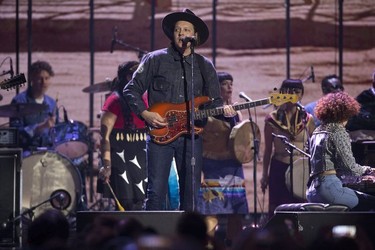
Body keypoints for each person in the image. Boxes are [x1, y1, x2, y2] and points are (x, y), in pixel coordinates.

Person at [123, 9, 236, 211]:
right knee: (156, 192)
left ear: (195, 36)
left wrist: (223, 111)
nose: (181, 33)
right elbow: (131, 89)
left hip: (191, 137)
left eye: (186, 29)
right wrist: (145, 113)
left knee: (190, 195)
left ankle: (187, 240)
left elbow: (214, 102)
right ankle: (152, 240)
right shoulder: (154, 59)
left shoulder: (204, 65)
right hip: (160, 135)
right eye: (177, 30)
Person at [198, 72, 248, 247]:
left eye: (231, 84)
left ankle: (233, 244)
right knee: (212, 209)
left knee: (236, 211)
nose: (230, 87)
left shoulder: (237, 112)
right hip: (213, 164)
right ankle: (207, 245)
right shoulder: (206, 112)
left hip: (233, 165)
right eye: (225, 84)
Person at [306, 91, 375, 211]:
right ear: (346, 113)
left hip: (312, 191)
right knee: (371, 203)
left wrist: (359, 178)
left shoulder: (317, 131)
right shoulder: (338, 131)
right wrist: (370, 170)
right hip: (329, 190)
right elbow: (350, 168)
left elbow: (331, 167)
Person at [260, 79, 315, 218]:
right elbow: (267, 150)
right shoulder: (272, 119)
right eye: (289, 92)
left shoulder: (307, 119)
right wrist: (264, 175)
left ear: (302, 95)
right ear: (282, 93)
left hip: (302, 170)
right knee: (278, 210)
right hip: (279, 167)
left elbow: (314, 148)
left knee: (300, 209)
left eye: (297, 92)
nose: (293, 95)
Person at [98, 61, 148, 211]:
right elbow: (105, 137)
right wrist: (106, 166)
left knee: (141, 202)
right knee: (126, 203)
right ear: (128, 77)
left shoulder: (145, 98)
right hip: (120, 157)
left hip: (141, 155)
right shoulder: (114, 101)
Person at [9, 60, 57, 153]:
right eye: (40, 78)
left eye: (47, 78)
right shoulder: (19, 101)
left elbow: (57, 131)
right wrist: (39, 127)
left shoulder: (52, 103)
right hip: (27, 151)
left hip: (47, 151)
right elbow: (15, 133)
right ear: (32, 79)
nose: (44, 82)